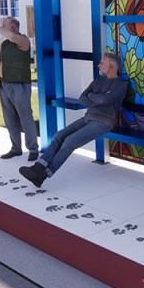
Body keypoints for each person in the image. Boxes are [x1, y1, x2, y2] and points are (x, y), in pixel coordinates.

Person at [19, 53, 128, 188]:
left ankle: (45, 173)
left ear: (111, 66)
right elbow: (82, 98)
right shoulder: (97, 82)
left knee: (70, 141)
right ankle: (38, 167)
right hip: (88, 118)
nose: (98, 65)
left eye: (102, 63)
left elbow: (102, 100)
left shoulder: (120, 85)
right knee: (59, 135)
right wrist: (98, 98)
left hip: (103, 122)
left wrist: (93, 96)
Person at [0, 12, 39, 160]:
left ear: (13, 27)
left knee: (25, 117)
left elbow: (13, 37)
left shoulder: (23, 40)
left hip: (19, 86)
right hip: (5, 85)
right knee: (9, 119)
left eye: (4, 26)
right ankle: (16, 148)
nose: (1, 29)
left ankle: (33, 149)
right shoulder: (5, 44)